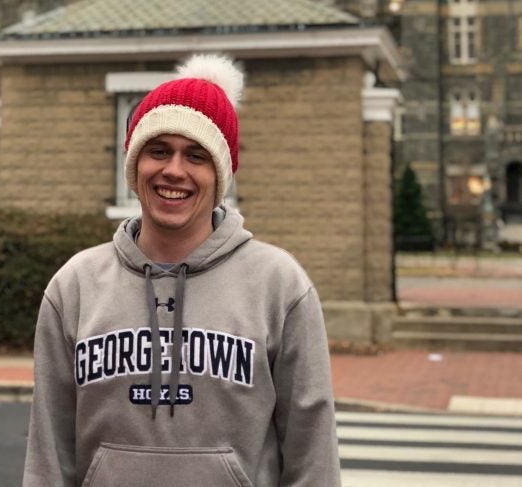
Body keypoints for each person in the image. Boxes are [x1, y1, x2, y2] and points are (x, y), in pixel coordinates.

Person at [23, 54, 341, 486]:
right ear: (135, 166)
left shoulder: (279, 285)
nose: (174, 170)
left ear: (221, 173)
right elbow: (48, 452)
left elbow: (313, 453)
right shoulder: (75, 286)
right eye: (158, 151)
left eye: (196, 155)